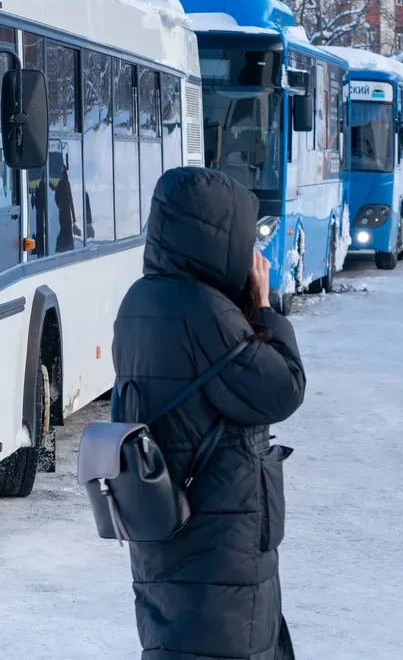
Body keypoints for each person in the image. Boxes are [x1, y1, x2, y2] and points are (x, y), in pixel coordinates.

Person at [112, 166, 306, 660]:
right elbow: (282, 389)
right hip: (219, 538)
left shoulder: (140, 300)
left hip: (165, 529)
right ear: (217, 235)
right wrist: (263, 308)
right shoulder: (205, 311)